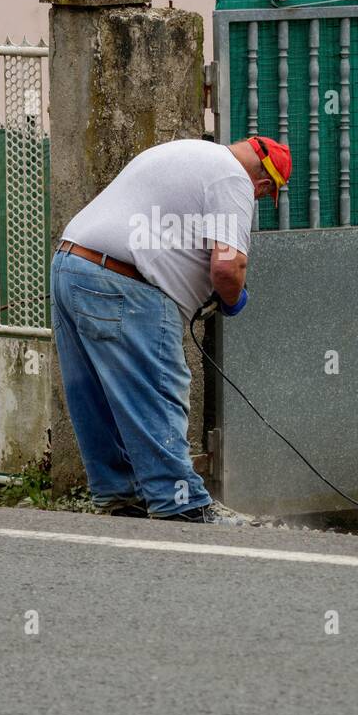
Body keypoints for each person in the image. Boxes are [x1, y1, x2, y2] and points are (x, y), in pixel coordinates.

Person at [50, 135, 292, 524]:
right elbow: (228, 266)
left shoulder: (186, 153)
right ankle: (181, 501)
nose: (260, 197)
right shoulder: (234, 179)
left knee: (94, 393)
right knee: (159, 387)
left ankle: (120, 494)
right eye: (265, 194)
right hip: (128, 283)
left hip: (71, 266)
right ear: (265, 183)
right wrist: (232, 300)